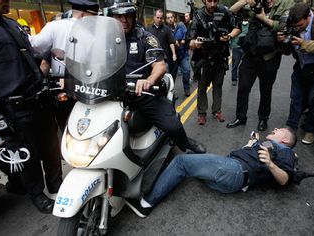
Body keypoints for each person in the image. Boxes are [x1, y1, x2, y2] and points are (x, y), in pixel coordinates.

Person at [125, 127, 297, 218]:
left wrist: (270, 164)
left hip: (234, 170)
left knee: (181, 162)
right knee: (192, 157)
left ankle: (146, 204)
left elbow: (284, 180)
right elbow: (252, 156)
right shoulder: (270, 147)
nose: (275, 128)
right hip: (230, 182)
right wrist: (252, 143)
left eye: (280, 129)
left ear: (285, 140)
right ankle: (170, 175)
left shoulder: (285, 151)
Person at [108, 1, 206, 154]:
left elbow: (160, 66)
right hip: (113, 95)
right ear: (111, 18)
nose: (123, 20)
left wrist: (149, 80)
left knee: (172, 125)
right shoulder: (105, 40)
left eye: (127, 16)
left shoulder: (145, 38)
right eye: (118, 16)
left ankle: (185, 142)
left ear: (133, 17)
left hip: (143, 93)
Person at [0, 0, 62, 213]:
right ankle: (37, 194)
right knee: (26, 154)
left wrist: (45, 58)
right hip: (14, 108)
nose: (7, 1)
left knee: (51, 146)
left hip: (39, 99)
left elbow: (27, 56)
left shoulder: (11, 24)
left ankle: (56, 183)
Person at [30, 0, 99, 130]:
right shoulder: (94, 32)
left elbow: (33, 45)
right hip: (87, 86)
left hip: (68, 87)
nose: (96, 20)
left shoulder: (54, 26)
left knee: (68, 124)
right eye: (94, 16)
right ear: (83, 15)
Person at [227, 0, 295, 131]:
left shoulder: (285, 4)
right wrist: (245, 1)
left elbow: (283, 26)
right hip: (251, 54)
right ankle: (240, 117)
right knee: (243, 87)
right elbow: (231, 11)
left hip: (270, 56)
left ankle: (263, 119)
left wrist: (263, 18)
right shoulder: (255, 3)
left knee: (266, 90)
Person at [277, 2, 314, 144]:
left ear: (308, 17)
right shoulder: (292, 21)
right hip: (301, 65)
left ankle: (310, 130)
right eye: (295, 26)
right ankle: (290, 128)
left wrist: (303, 43)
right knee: (296, 97)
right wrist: (282, 40)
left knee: (313, 100)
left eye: (300, 25)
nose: (298, 28)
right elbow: (286, 49)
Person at [188, 0, 241, 125]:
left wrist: (229, 36)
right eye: (209, 1)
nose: (212, 4)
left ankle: (217, 111)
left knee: (218, 86)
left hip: (220, 57)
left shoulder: (224, 11)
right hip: (204, 58)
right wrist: (195, 44)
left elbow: (237, 27)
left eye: (215, 1)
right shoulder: (198, 15)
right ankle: (202, 113)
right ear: (204, 1)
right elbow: (190, 40)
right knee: (202, 87)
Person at [146, 9, 178, 83]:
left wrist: (174, 54)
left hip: (164, 59)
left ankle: (168, 93)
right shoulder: (148, 29)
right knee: (152, 78)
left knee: (165, 78)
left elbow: (171, 42)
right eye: (158, 17)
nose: (159, 19)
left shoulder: (166, 29)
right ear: (154, 17)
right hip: (151, 59)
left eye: (161, 18)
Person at [166, 11, 191, 97]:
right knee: (172, 75)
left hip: (183, 54)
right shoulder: (166, 29)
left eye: (171, 17)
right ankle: (171, 92)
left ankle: (186, 88)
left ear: (174, 18)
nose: (170, 19)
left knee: (186, 71)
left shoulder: (181, 25)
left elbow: (186, 36)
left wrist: (183, 41)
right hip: (173, 56)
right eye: (168, 18)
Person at [230, 19, 249, 86]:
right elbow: (231, 34)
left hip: (246, 47)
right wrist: (230, 45)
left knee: (246, 65)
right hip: (236, 46)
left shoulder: (250, 25)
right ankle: (234, 79)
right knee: (235, 64)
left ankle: (244, 79)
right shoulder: (236, 24)